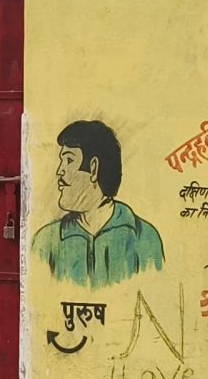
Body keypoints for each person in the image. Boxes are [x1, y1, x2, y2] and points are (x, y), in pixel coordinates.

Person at [30, 120, 165, 289]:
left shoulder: (144, 237)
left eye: (69, 160)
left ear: (93, 168)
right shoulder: (46, 241)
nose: (60, 171)